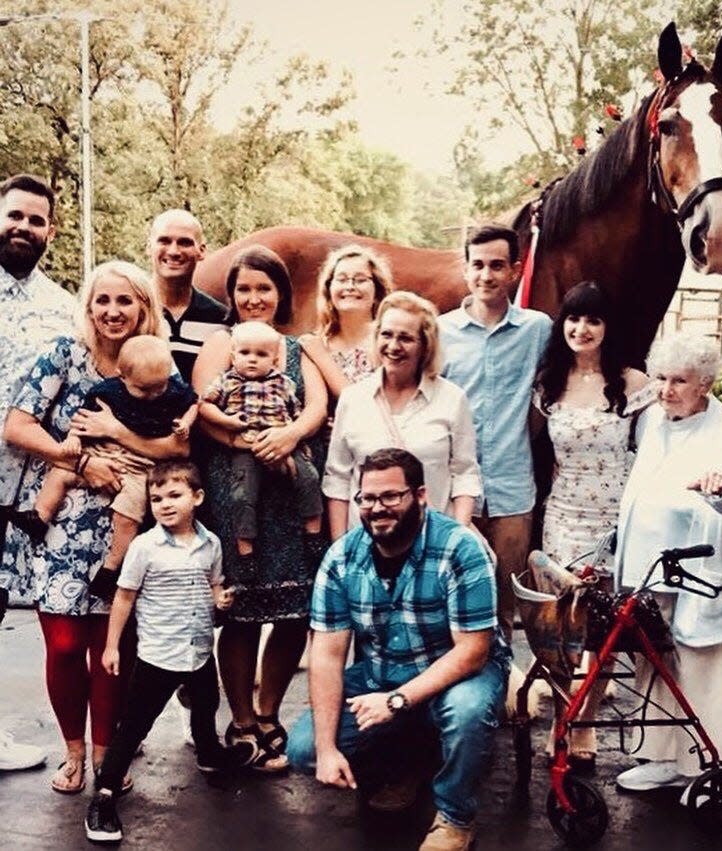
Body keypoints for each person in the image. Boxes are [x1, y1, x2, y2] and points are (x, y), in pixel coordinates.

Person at [3, 260, 185, 794]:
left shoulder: (157, 364)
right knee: (63, 644)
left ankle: (107, 753)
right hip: (59, 519)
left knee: (112, 645)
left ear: (144, 308)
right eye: (102, 300)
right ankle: (73, 750)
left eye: (125, 301)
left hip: (123, 522)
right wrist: (81, 461)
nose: (113, 311)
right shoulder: (65, 354)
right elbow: (17, 425)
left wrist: (115, 434)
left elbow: (178, 445)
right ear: (88, 307)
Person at [287, 448, 510, 851]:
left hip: (455, 673)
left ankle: (456, 814)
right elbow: (327, 655)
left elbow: (473, 650)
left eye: (391, 496)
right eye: (368, 499)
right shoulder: (341, 558)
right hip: (381, 673)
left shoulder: (459, 548)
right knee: (303, 749)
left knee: (467, 711)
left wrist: (396, 701)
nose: (377, 508)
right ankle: (406, 760)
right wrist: (326, 749)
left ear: (420, 495)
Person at [613, 331, 722, 792]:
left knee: (707, 669)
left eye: (679, 381)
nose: (666, 390)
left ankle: (712, 771)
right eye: (661, 378)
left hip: (704, 573)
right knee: (656, 666)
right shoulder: (654, 423)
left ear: (704, 383)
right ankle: (663, 759)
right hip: (652, 572)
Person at [192, 244, 328, 772]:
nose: (254, 299)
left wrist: (289, 436)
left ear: (281, 294)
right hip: (237, 488)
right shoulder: (222, 342)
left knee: (294, 609)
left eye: (264, 289)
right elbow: (205, 409)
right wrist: (254, 444)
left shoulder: (296, 347)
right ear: (231, 294)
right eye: (244, 289)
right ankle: (243, 720)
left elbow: (315, 405)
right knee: (243, 612)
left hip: (293, 490)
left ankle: (270, 712)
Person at [84, 460, 255, 845]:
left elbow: (213, 582)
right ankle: (105, 795)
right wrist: (112, 646)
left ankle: (209, 756)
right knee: (133, 728)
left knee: (206, 705)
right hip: (157, 657)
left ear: (197, 497)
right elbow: (125, 597)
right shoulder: (144, 547)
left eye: (174, 495)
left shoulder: (211, 543)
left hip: (198, 650)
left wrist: (220, 599)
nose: (163, 504)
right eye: (156, 497)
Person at [532, 281, 653, 768]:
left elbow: (650, 454)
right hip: (562, 515)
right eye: (573, 319)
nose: (581, 329)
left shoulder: (634, 383)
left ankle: (586, 722)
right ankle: (563, 715)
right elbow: (538, 451)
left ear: (607, 328)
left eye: (593, 321)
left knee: (601, 624)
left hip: (614, 516)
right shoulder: (547, 383)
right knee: (562, 625)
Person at [7, 336, 197, 586]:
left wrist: (185, 422)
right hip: (99, 453)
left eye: (158, 388)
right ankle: (39, 517)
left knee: (128, 512)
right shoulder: (108, 391)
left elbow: (193, 405)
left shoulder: (167, 385)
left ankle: (111, 567)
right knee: (60, 474)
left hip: (139, 465)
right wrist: (74, 440)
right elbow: (83, 417)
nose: (152, 396)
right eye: (142, 389)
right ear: (122, 376)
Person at [439, 224, 551, 644]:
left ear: (516, 271)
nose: (486, 275)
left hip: (511, 489)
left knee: (504, 604)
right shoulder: (441, 332)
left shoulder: (538, 330)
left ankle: (503, 701)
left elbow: (561, 384)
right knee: (453, 603)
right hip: (453, 491)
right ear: (466, 270)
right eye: (478, 265)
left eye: (497, 266)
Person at [0, 173, 75, 771]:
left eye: (35, 220)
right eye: (14, 215)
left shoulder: (62, 309)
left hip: (24, 491)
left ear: (50, 232)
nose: (22, 227)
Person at [323, 291, 481, 540]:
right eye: (386, 334)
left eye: (406, 338)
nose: (393, 346)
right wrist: (341, 548)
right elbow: (338, 480)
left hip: (432, 543)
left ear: (425, 345)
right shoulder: (353, 398)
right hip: (367, 544)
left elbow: (464, 474)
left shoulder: (452, 399)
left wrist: (457, 542)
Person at [199, 320, 321, 557]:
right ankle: (246, 551)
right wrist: (227, 421)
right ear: (234, 357)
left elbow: (297, 412)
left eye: (261, 354)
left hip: (284, 440)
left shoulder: (284, 383)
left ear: (274, 360)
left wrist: (297, 439)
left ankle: (313, 535)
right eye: (245, 353)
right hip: (245, 444)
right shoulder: (227, 381)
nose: (252, 359)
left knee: (309, 478)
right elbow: (204, 405)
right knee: (242, 493)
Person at [299, 243, 390, 399]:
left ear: (377, 290)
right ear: (328, 290)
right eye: (341, 279)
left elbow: (372, 405)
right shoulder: (315, 344)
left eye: (360, 280)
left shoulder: (388, 341)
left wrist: (322, 358)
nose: (350, 286)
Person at [148, 209, 227, 382]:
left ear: (201, 251)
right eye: (164, 241)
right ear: (149, 247)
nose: (174, 251)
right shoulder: (133, 311)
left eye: (185, 243)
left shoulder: (221, 320)